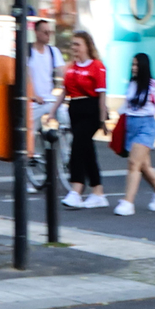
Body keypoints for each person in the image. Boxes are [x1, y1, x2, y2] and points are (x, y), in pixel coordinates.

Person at [115, 51, 155, 215]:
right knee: (144, 166)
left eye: (136, 65)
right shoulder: (132, 84)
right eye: (132, 65)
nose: (133, 68)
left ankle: (128, 202)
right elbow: (126, 106)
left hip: (146, 126)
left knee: (133, 163)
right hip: (131, 125)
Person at [59, 29, 109, 208]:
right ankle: (98, 191)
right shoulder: (71, 67)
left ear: (87, 46)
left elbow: (102, 95)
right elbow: (65, 90)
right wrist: (53, 110)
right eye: (72, 44)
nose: (74, 48)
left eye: (77, 44)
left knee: (78, 147)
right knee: (87, 150)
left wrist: (103, 119)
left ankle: (76, 189)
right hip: (75, 109)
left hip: (91, 109)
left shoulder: (97, 66)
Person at [22, 15, 63, 133]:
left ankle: (64, 151)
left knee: (65, 119)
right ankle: (32, 150)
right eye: (45, 32)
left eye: (50, 32)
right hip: (33, 102)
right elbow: (25, 75)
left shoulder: (53, 51)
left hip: (49, 100)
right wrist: (33, 95)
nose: (48, 35)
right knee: (30, 131)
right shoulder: (27, 51)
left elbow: (63, 71)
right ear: (37, 33)